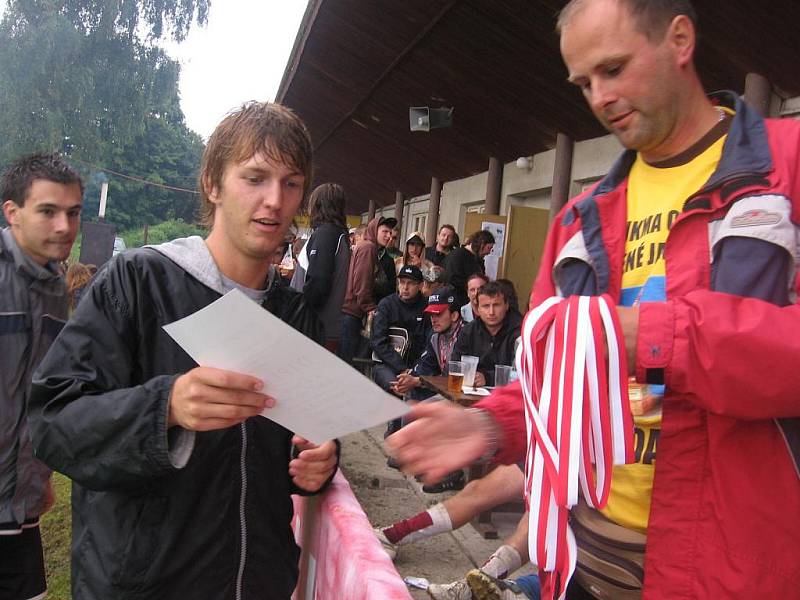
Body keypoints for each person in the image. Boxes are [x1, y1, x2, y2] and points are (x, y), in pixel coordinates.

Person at [388, 0, 800, 597]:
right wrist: (494, 423)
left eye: (614, 68)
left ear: (680, 39)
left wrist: (652, 337)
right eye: (583, 82)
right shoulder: (578, 221)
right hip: (582, 554)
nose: (600, 97)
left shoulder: (784, 167)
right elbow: (554, 377)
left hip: (724, 566)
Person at [28, 102, 339, 600]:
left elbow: (298, 442)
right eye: (255, 177)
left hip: (259, 580)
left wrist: (318, 461)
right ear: (212, 184)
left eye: (291, 182)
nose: (275, 200)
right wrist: (165, 406)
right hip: (146, 586)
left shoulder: (295, 315)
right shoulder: (137, 283)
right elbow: (53, 422)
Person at [1, 152, 83, 600]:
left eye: (72, 213)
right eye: (47, 211)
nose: (63, 227)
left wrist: (39, 476)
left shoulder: (55, 286)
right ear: (12, 213)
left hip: (21, 504)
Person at [373, 466, 529, 600]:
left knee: (537, 522)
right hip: (545, 444)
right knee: (478, 491)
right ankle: (391, 535)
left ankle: (474, 588)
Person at [294, 182, 351, 352]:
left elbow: (319, 280)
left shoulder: (326, 234)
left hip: (313, 328)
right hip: (327, 327)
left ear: (319, 205)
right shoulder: (339, 235)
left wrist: (299, 308)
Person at [391, 286, 464, 402]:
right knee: (409, 396)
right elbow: (426, 365)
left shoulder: (467, 334)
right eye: (431, 315)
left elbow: (452, 377)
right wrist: (409, 378)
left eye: (438, 314)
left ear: (454, 316)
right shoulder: (435, 335)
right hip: (445, 391)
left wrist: (416, 381)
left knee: (416, 409)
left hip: (463, 395)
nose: (433, 319)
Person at [340, 215, 396, 364]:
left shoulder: (367, 246)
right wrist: (370, 307)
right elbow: (361, 283)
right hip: (352, 313)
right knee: (348, 364)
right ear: (373, 229)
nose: (389, 235)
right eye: (385, 231)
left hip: (350, 312)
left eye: (390, 232)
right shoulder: (368, 247)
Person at [370, 265, 428, 397]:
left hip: (416, 367)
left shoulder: (426, 308)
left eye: (411, 283)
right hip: (386, 364)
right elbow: (378, 342)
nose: (405, 287)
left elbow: (428, 343)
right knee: (399, 386)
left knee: (418, 389)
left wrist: (414, 372)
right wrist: (402, 368)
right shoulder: (386, 304)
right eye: (402, 282)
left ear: (420, 286)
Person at [452, 281, 521, 387]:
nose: (491, 312)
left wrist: (487, 378)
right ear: (478, 309)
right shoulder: (468, 331)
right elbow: (456, 364)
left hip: (506, 396)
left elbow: (519, 373)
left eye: (496, 305)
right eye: (486, 306)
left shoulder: (520, 332)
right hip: (469, 392)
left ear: (506, 305)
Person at [444, 229, 495, 307]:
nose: (489, 252)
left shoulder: (479, 260)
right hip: (457, 301)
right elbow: (452, 279)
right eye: (488, 248)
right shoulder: (457, 255)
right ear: (482, 244)